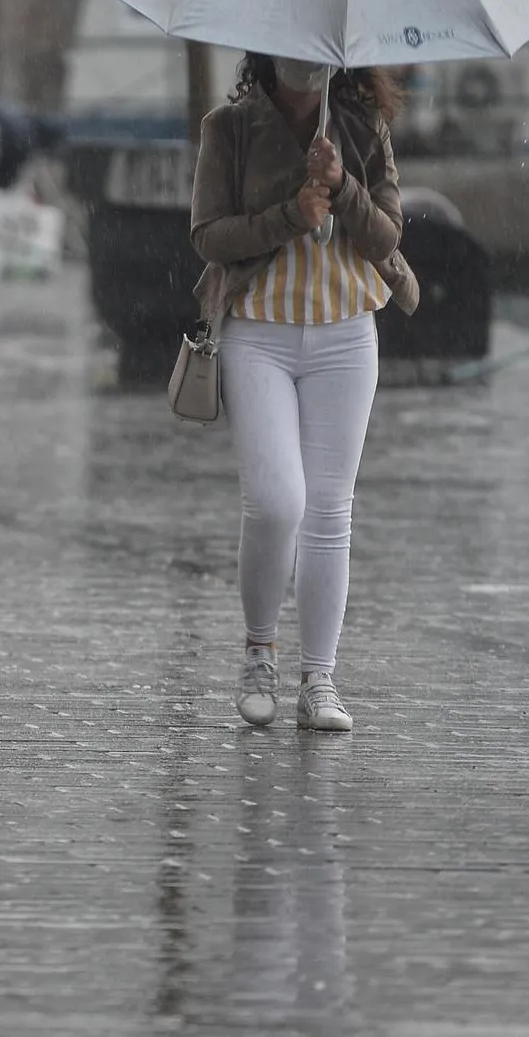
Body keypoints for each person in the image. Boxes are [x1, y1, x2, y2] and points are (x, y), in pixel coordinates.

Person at [188, 54, 421, 732]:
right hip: (258, 332)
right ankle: (258, 651)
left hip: (346, 334)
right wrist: (291, 213)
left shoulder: (362, 124)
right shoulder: (228, 127)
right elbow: (208, 236)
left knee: (327, 510)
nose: (306, 66)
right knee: (274, 501)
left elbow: (387, 234)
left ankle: (319, 677)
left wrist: (342, 185)